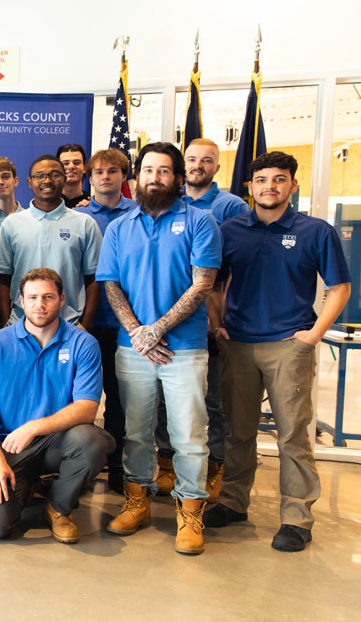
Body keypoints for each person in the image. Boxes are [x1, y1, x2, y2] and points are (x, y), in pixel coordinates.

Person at [207, 151, 351, 552]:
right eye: (262, 180)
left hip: (289, 344)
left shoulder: (315, 231)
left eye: (279, 179)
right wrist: (218, 325)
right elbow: (214, 285)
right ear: (250, 187)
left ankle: (297, 518)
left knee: (292, 436)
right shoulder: (231, 230)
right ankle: (234, 503)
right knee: (238, 432)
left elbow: (339, 287)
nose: (270, 186)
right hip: (237, 344)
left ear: (292, 185)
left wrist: (313, 334)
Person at [96, 142, 221, 555]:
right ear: (137, 178)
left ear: (177, 177)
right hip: (133, 348)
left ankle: (190, 512)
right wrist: (137, 331)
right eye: (147, 170)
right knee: (135, 433)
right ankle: (138, 501)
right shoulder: (118, 227)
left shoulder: (201, 222)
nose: (155, 178)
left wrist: (158, 329)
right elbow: (110, 283)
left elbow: (202, 283)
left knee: (187, 436)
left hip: (183, 348)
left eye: (164, 171)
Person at [0, 269, 112, 543]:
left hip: (59, 442)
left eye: (48, 297)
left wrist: (34, 427)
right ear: (21, 302)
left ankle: (58, 507)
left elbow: (87, 409)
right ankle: (29, 484)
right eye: (33, 297)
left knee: (92, 442)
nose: (40, 304)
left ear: (61, 300)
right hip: (10, 444)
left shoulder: (83, 344)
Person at [153, 138, 251, 497]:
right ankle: (166, 463)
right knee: (165, 399)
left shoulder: (231, 207)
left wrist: (220, 318)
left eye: (206, 160)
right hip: (170, 322)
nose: (198, 165)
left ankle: (215, 468)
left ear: (217, 167)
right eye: (191, 159)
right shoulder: (165, 206)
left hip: (213, 320)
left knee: (212, 401)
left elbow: (231, 270)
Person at [74, 148, 138, 493]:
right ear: (89, 177)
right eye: (98, 172)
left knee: (118, 400)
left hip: (124, 324)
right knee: (77, 399)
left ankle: (117, 469)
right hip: (81, 324)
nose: (105, 177)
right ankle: (77, 465)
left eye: (113, 171)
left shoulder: (139, 214)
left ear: (124, 176)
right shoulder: (79, 215)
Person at [0, 155, 102, 330]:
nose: (47, 180)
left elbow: (94, 280)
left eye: (55, 174)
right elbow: (2, 279)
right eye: (39, 175)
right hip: (20, 325)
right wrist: (7, 324)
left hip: (70, 326)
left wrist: (85, 326)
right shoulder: (12, 224)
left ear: (64, 179)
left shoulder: (85, 223)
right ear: (29, 182)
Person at [57, 143, 90, 208]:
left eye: (77, 163)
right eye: (66, 163)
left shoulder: (90, 204)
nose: (71, 166)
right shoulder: (48, 203)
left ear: (85, 168)